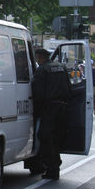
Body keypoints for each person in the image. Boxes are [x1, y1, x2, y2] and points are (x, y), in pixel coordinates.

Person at [32, 48, 71, 180]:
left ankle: (52, 169)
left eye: (37, 58)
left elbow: (37, 92)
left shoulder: (42, 70)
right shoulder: (61, 67)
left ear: (40, 57)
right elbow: (69, 87)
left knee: (45, 137)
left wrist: (36, 112)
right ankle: (55, 167)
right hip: (63, 107)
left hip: (49, 108)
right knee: (56, 138)